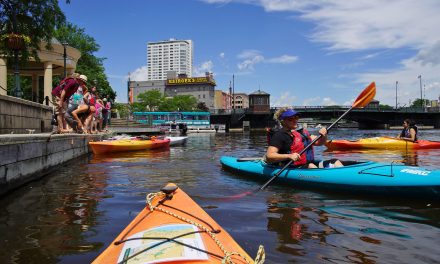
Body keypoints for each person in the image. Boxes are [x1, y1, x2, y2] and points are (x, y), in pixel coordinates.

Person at [265, 108, 343, 168]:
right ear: (282, 121)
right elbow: (269, 156)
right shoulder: (279, 135)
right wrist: (289, 156)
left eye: (296, 117)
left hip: (307, 164)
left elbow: (319, 143)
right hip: (290, 167)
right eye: (291, 119)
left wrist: (324, 135)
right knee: (311, 166)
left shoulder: (300, 133)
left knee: (335, 161)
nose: (295, 120)